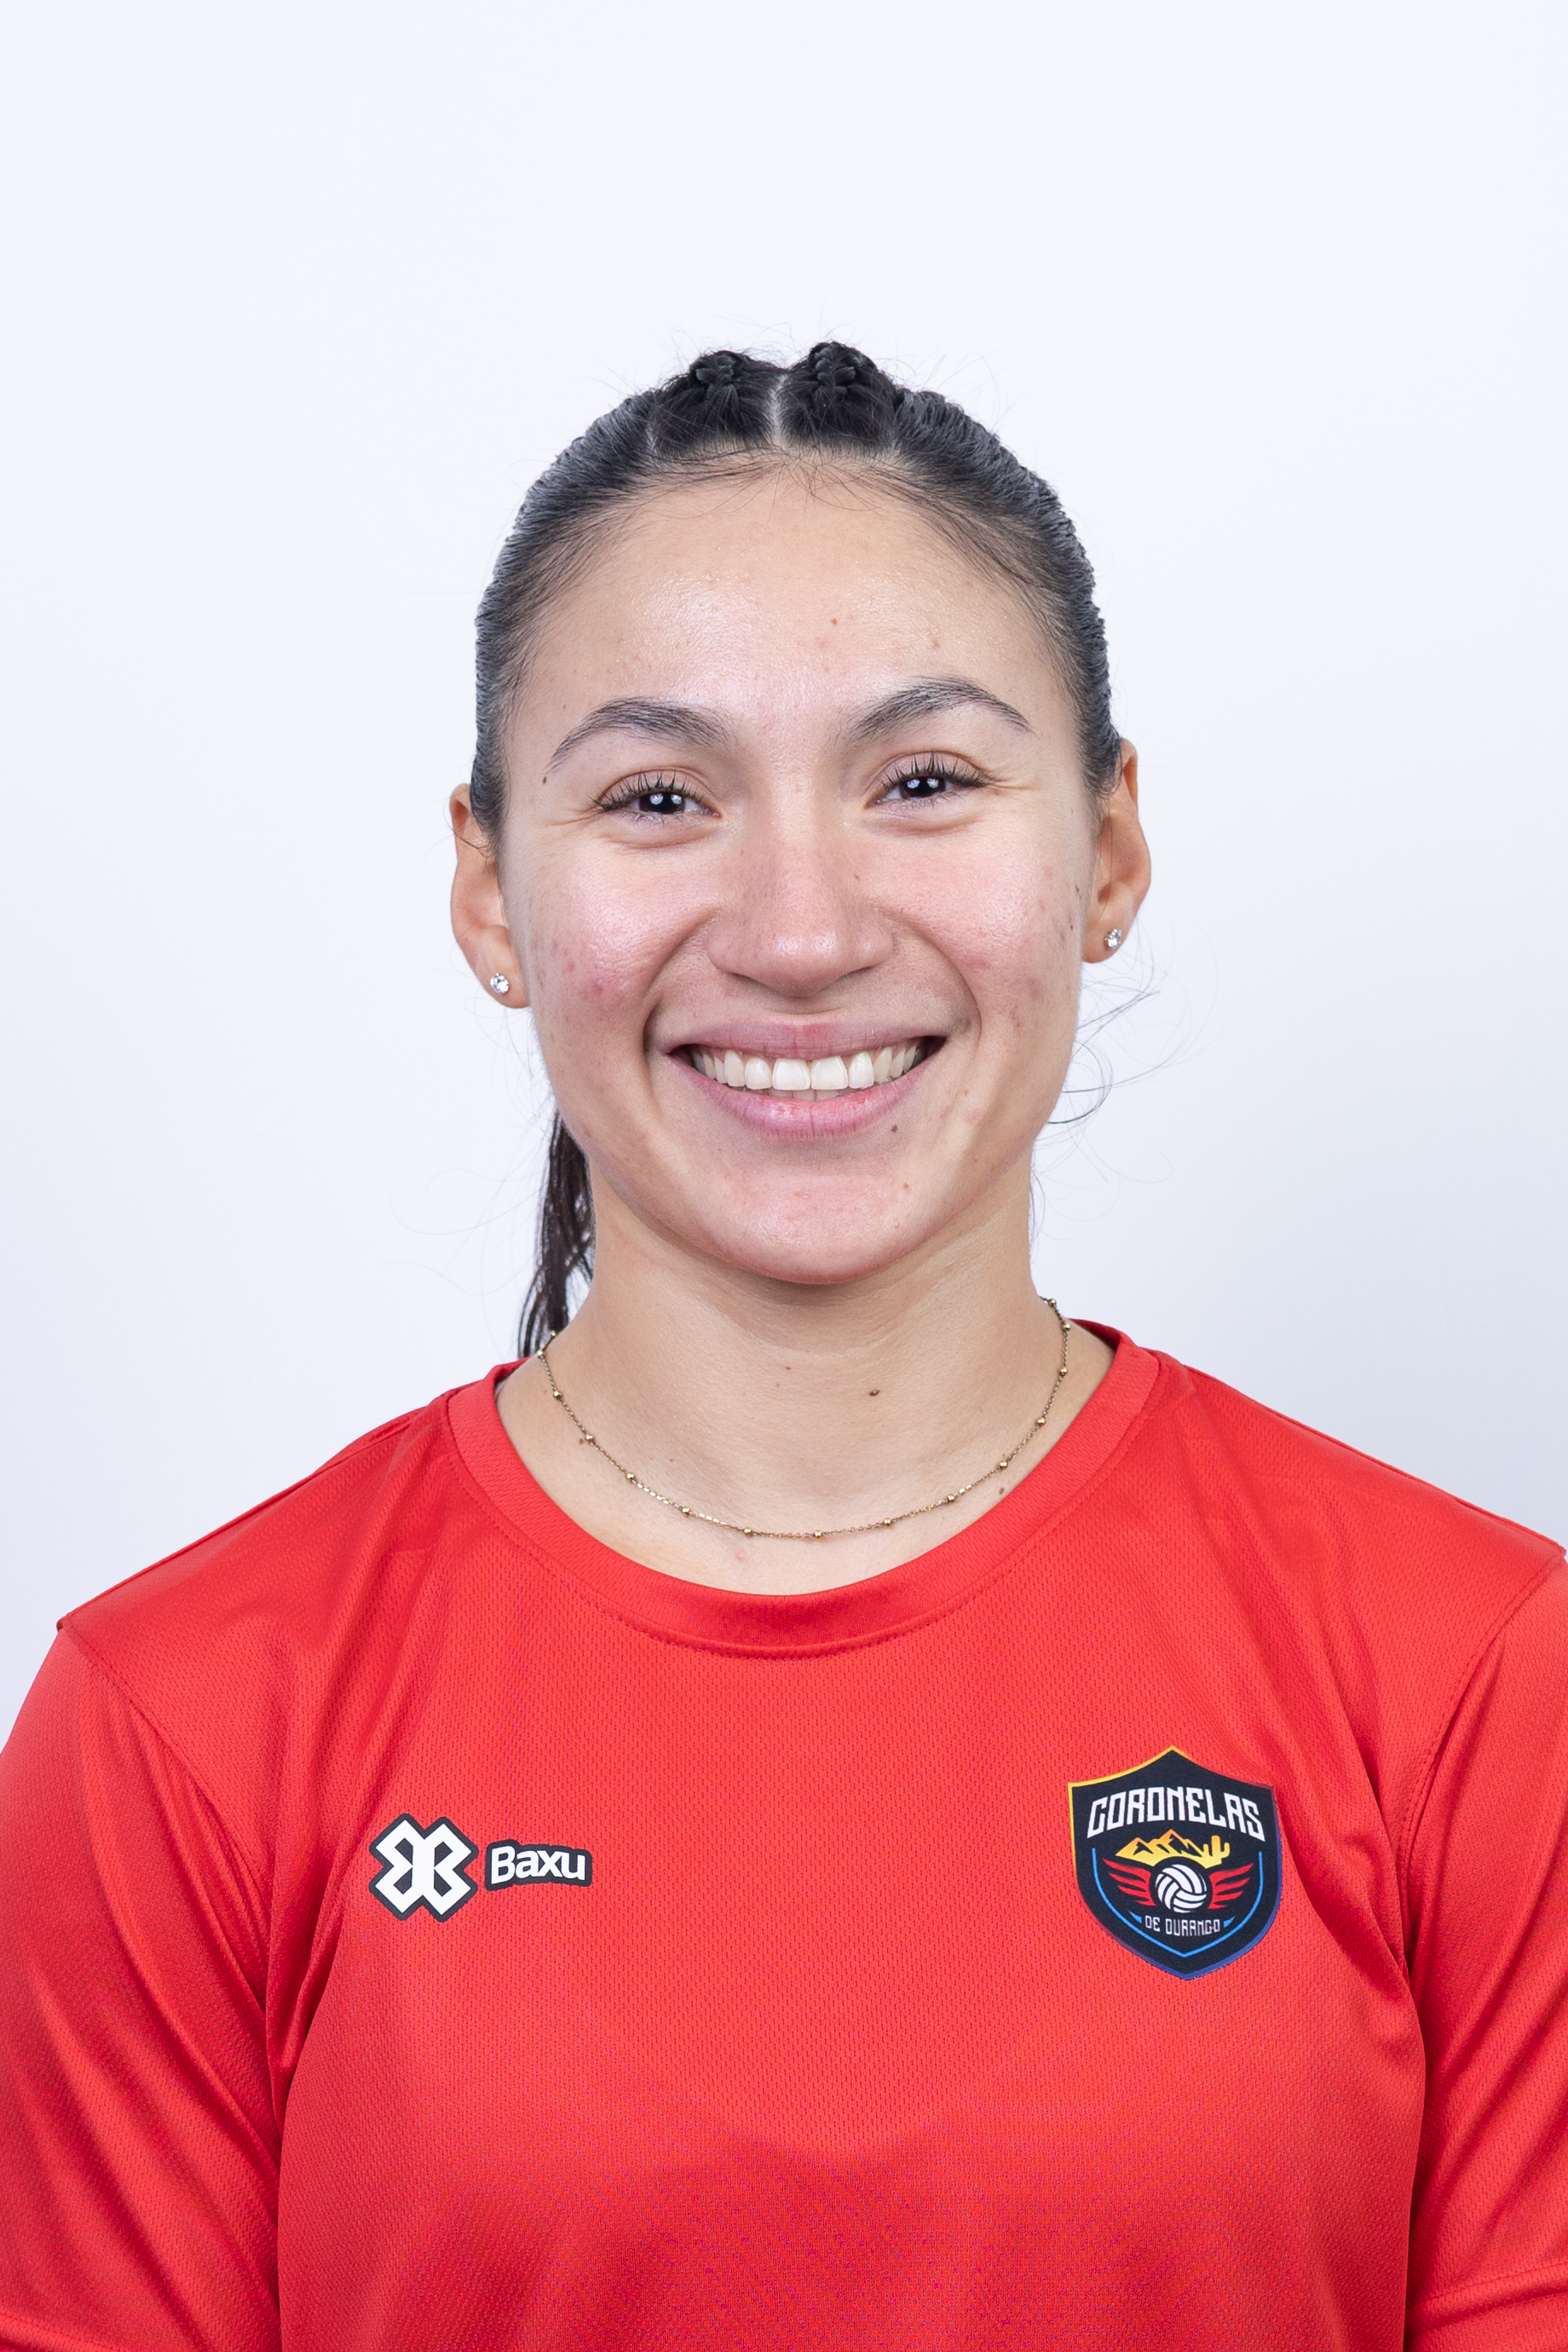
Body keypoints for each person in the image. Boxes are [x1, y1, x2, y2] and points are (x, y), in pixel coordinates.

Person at [0, 343, 1563, 2352]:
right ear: (489, 889)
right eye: (658, 798)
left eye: (921, 783)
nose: (802, 932)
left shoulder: (1471, 1675)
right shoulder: (180, 1725)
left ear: (1104, 851)